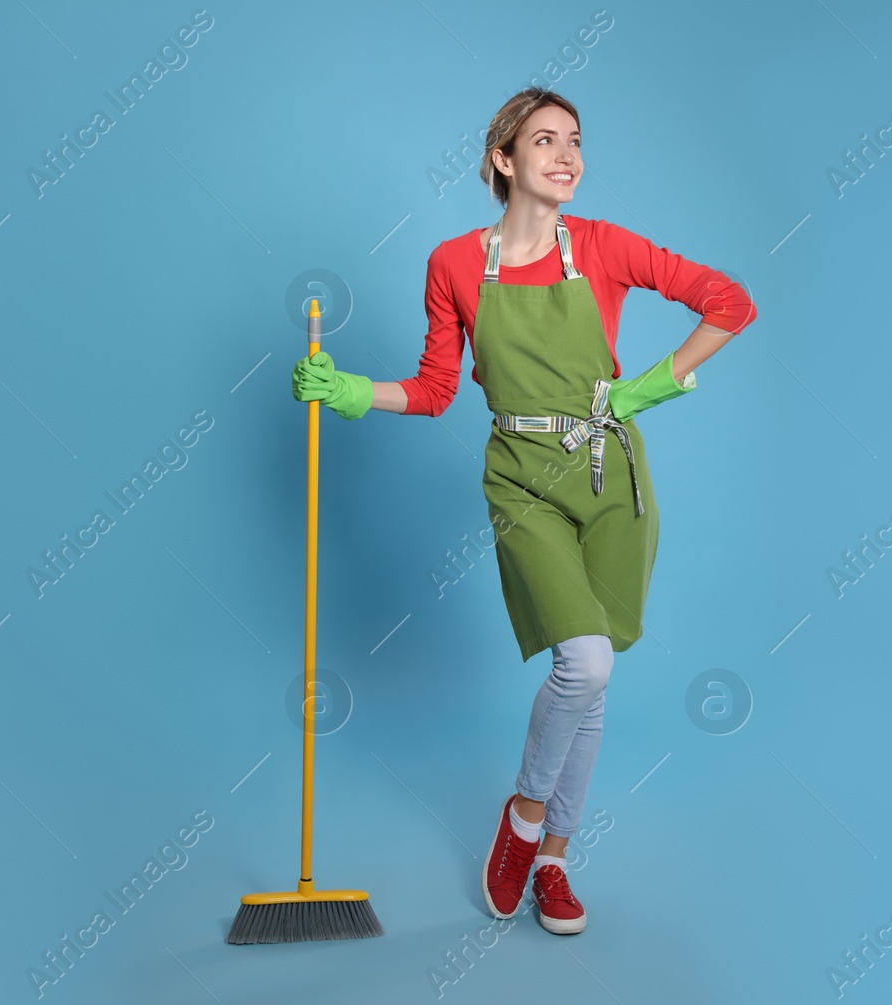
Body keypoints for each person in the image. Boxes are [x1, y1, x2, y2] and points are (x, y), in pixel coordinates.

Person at [290, 87, 757, 935]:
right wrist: (354, 391)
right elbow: (437, 390)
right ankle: (525, 816)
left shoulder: (607, 248)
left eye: (575, 140)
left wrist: (648, 387)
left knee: (597, 678)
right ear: (503, 160)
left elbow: (730, 303)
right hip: (522, 478)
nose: (567, 155)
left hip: (613, 477)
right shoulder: (455, 265)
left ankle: (553, 862)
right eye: (545, 140)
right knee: (584, 662)